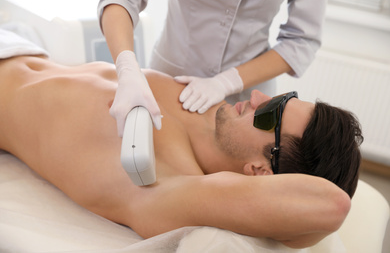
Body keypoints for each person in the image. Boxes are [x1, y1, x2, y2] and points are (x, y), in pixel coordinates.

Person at [0, 44, 362, 248]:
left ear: (262, 170)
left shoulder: (167, 185)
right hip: (19, 46)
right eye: (283, 97)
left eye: (271, 112)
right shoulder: (204, 106)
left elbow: (331, 205)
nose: (256, 96)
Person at [97, 0, 328, 137]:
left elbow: (302, 39)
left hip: (248, 95)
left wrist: (228, 81)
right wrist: (127, 67)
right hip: (173, 77)